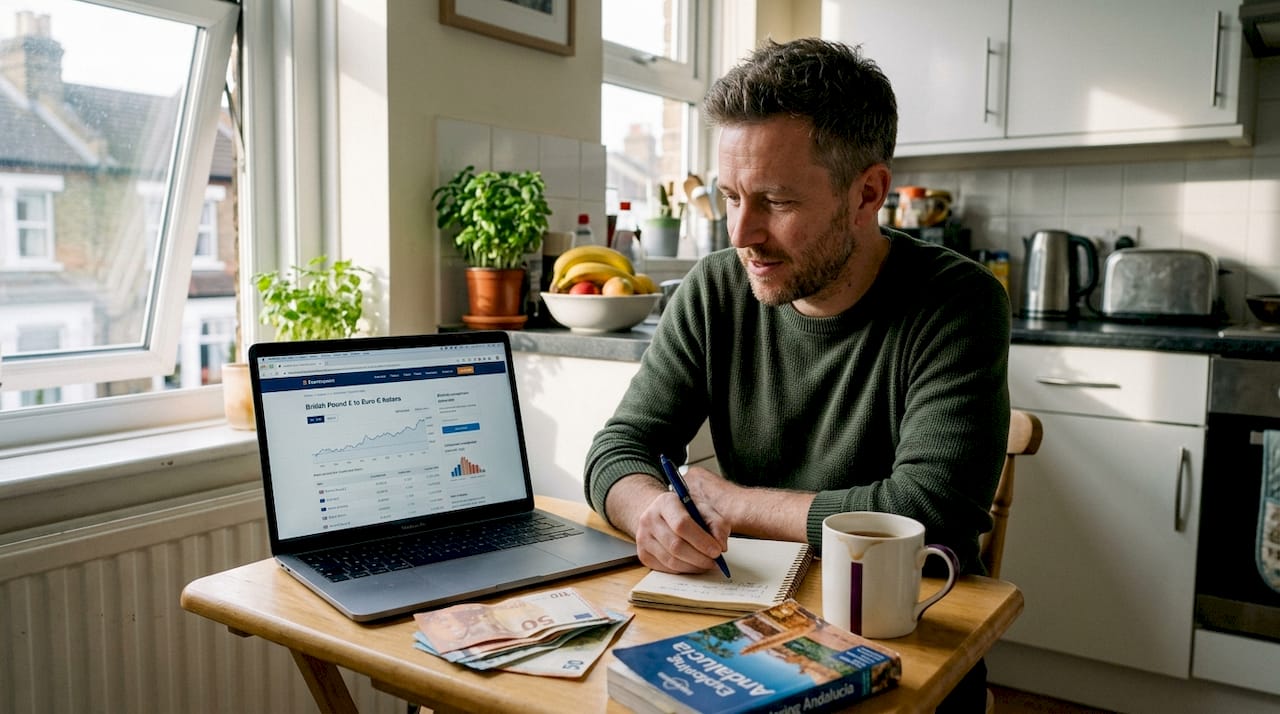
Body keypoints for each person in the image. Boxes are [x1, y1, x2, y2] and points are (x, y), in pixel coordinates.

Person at [584, 37, 1010, 710]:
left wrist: (733, 504)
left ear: (867, 193)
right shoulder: (714, 290)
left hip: (900, 638)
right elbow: (619, 448)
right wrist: (651, 512)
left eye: (775, 202)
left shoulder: (958, 300)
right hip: (741, 627)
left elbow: (933, 506)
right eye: (729, 196)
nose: (741, 233)